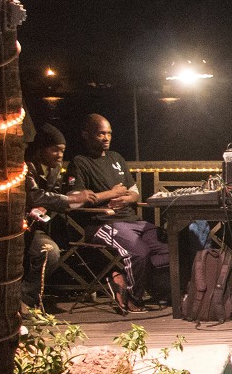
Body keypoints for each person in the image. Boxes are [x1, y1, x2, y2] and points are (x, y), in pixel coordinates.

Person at [70, 113, 170, 312]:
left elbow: (134, 191)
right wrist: (112, 193)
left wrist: (127, 198)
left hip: (132, 219)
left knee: (167, 246)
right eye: (100, 134)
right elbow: (74, 201)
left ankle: (143, 284)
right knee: (139, 252)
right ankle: (132, 297)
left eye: (109, 133)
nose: (106, 138)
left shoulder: (117, 158)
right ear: (86, 135)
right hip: (102, 223)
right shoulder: (80, 162)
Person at [22, 124, 93, 309]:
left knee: (52, 250)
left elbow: (50, 193)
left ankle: (25, 299)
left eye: (62, 151)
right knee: (47, 251)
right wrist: (72, 198)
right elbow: (34, 195)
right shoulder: (25, 166)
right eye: (55, 150)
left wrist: (46, 208)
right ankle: (23, 300)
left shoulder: (55, 168)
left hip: (36, 225)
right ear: (40, 150)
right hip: (16, 225)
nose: (60, 155)